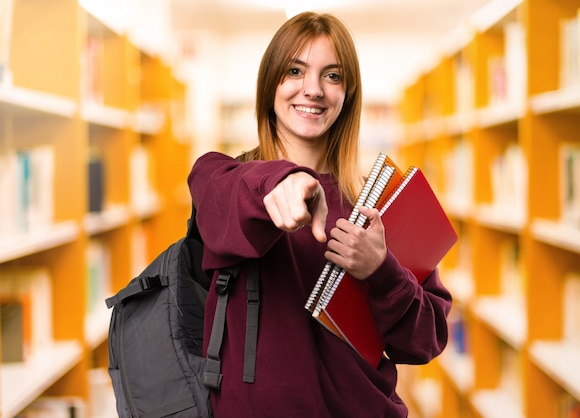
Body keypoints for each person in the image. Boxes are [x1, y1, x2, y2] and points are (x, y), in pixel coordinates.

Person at [188, 11, 452, 418]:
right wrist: (284, 180)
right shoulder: (220, 178)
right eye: (295, 70)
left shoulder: (378, 203)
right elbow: (223, 199)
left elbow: (425, 342)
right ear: (269, 84)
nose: (313, 90)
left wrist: (380, 270)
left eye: (332, 76)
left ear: (348, 94)